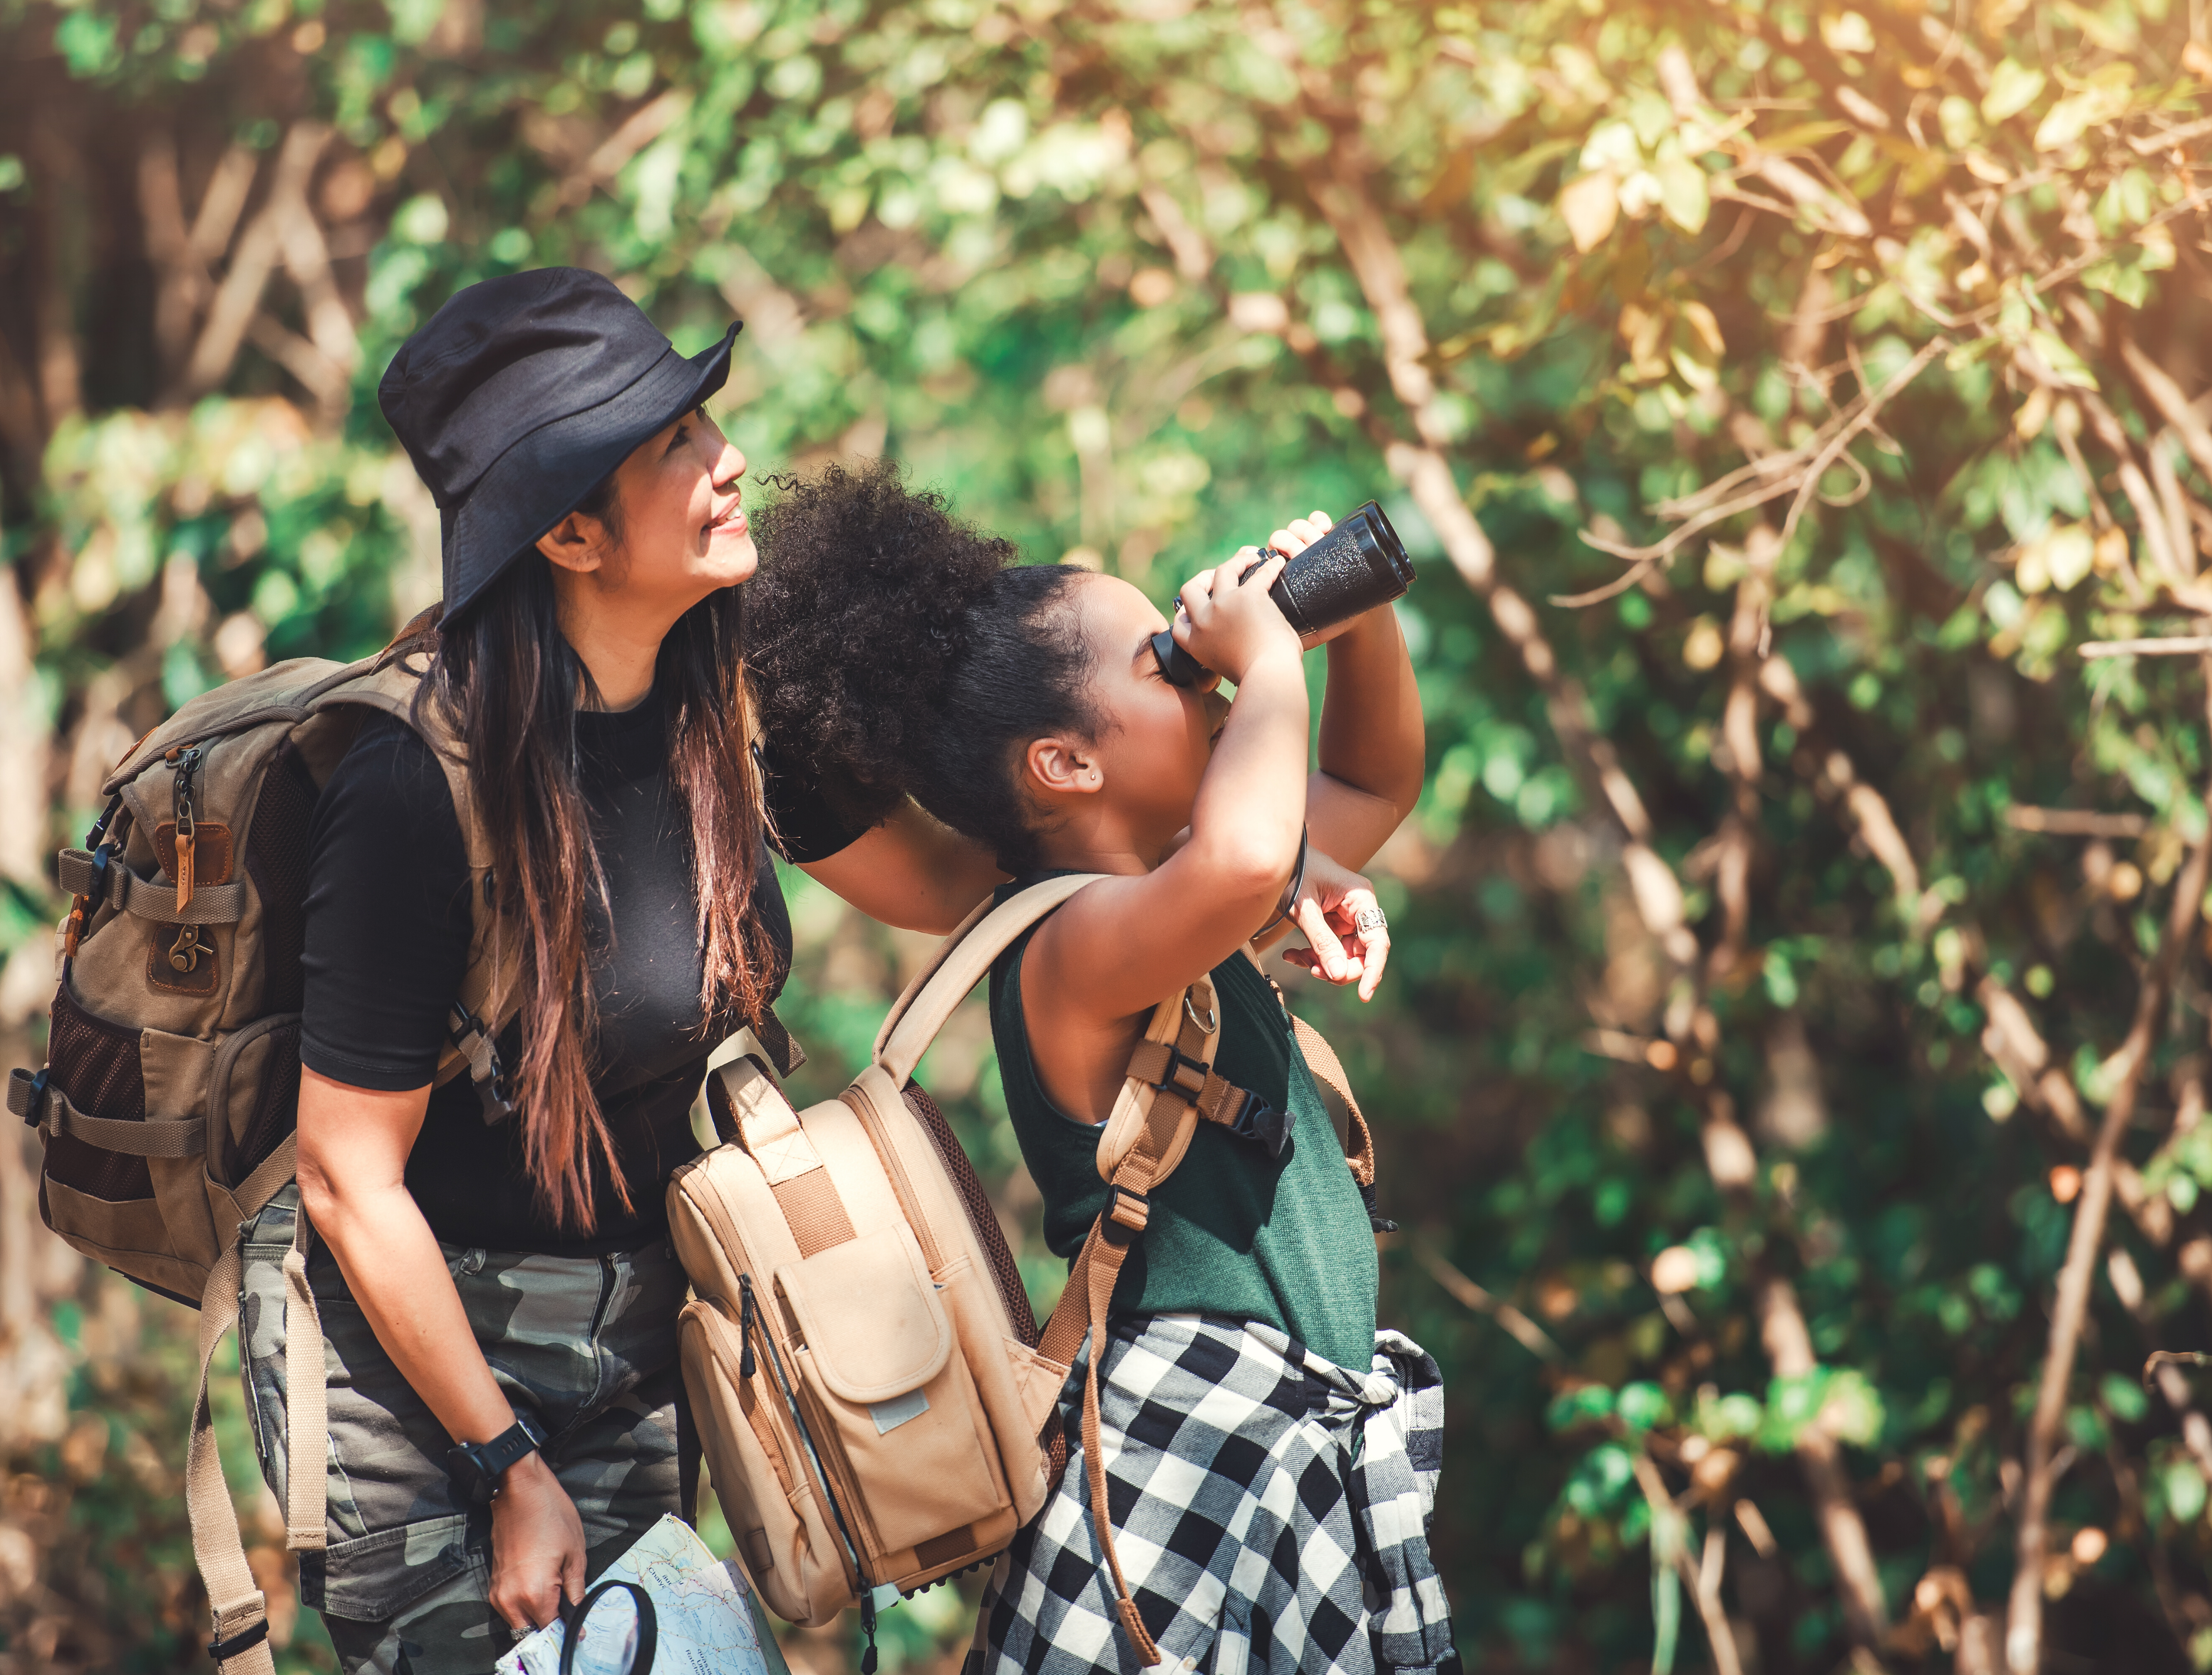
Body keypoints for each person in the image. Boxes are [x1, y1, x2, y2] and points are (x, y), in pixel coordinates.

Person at [238, 268, 1397, 1674]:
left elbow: (1007, 895)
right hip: (430, 1405)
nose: (727, 459)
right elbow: (346, 1180)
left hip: (644, 1358)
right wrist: (505, 1466)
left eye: (702, 420)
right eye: (670, 447)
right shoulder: (413, 789)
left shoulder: (727, 728)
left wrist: (1281, 872)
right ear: (569, 533)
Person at [746, 468, 1459, 1675]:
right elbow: (1241, 859)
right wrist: (1275, 650)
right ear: (1065, 766)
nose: (1212, 667)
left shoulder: (1178, 892)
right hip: (1176, 1470)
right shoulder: (1069, 941)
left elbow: (1376, 785)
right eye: (1166, 663)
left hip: (1271, 1447)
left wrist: (1356, 626)